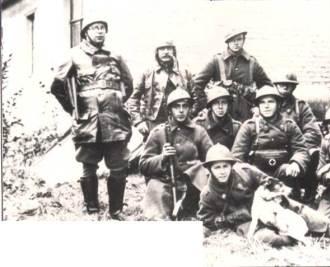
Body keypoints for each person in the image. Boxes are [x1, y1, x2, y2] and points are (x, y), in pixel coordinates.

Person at [198, 144, 330, 265]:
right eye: (217, 167)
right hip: (249, 222)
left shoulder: (244, 171)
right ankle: (312, 240)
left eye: (225, 166)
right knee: (272, 239)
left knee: (323, 222)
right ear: (210, 169)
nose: (222, 171)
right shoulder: (208, 194)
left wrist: (275, 194)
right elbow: (207, 219)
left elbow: (271, 182)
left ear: (231, 165)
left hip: (272, 207)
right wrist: (236, 216)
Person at [50, 17, 133, 220]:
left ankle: (116, 210)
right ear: (86, 32)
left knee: (118, 164)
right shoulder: (73, 55)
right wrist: (73, 109)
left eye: (103, 28)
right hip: (88, 120)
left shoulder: (115, 55)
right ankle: (92, 208)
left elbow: (128, 84)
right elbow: (57, 86)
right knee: (89, 164)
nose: (99, 32)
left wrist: (115, 102)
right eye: (95, 28)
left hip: (114, 120)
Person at [139, 88, 213, 220]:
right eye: (176, 107)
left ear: (190, 108)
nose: (181, 110)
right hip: (165, 182)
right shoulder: (158, 132)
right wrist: (162, 157)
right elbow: (143, 165)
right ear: (170, 110)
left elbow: (212, 158)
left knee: (206, 209)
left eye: (185, 106)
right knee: (157, 216)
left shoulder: (199, 131)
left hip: (193, 183)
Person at [231, 85, 310, 198]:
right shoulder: (250, 127)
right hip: (257, 179)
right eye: (262, 103)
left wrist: (296, 163)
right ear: (258, 106)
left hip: (284, 178)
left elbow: (301, 150)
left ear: (278, 104)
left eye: (270, 102)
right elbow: (237, 157)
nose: (266, 106)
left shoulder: (289, 126)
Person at [192, 29, 272, 121]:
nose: (236, 43)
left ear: (243, 40)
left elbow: (267, 87)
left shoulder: (252, 63)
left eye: (239, 39)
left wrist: (258, 106)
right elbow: (197, 83)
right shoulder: (217, 60)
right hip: (220, 113)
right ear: (227, 42)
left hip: (246, 114)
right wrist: (204, 104)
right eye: (232, 40)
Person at [128, 40, 193, 139]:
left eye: (169, 48)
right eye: (162, 49)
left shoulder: (184, 72)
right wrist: (138, 122)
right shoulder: (148, 73)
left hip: (181, 122)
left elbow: (197, 96)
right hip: (154, 123)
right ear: (157, 52)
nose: (166, 52)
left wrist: (191, 117)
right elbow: (133, 99)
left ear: (174, 51)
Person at [273, 73, 322, 202]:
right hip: (274, 150)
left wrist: (296, 146)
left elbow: (313, 132)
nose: (284, 86)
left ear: (293, 87)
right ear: (275, 85)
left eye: (288, 84)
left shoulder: (300, 107)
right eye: (281, 83)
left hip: (296, 150)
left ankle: (308, 194)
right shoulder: (268, 104)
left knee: (313, 153)